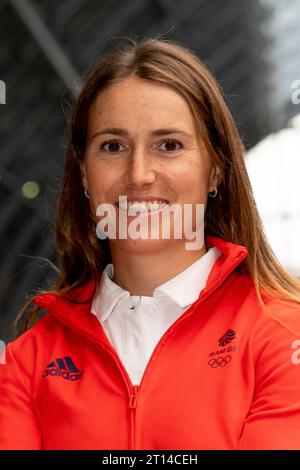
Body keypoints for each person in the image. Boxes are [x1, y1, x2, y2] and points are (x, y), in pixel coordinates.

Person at [1, 36, 300, 451]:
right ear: (84, 174)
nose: (139, 174)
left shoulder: (285, 335)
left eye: (169, 146)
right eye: (112, 146)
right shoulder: (26, 361)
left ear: (216, 170)